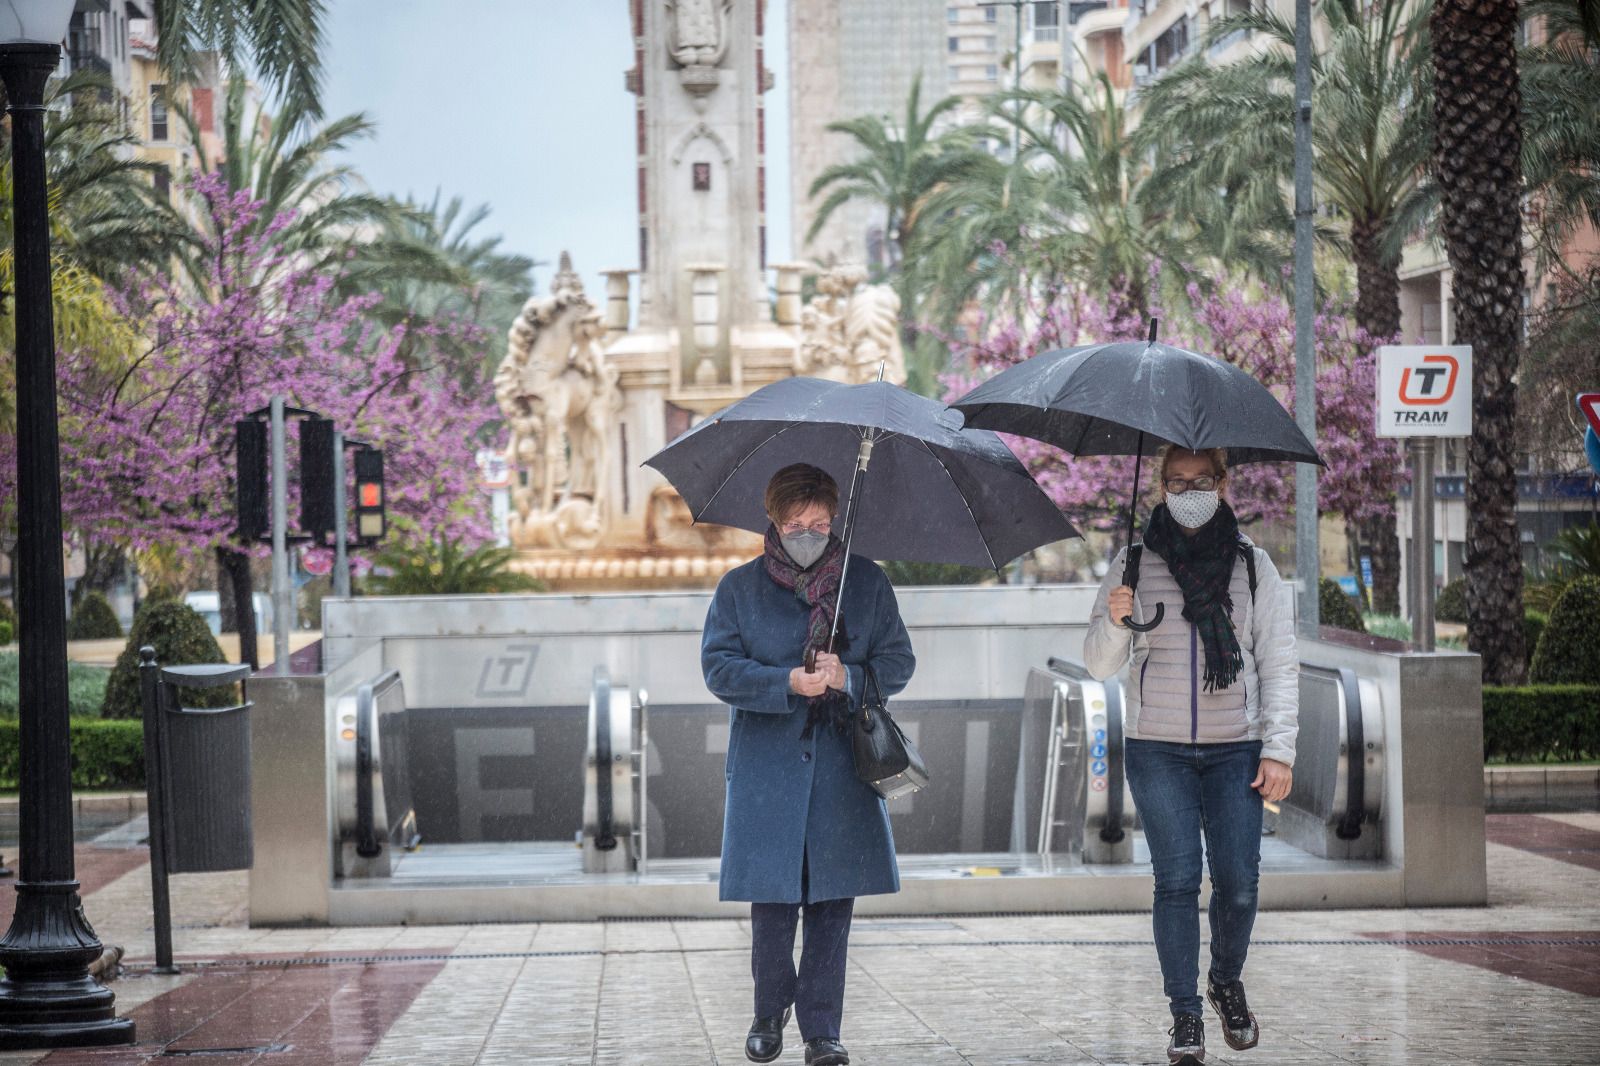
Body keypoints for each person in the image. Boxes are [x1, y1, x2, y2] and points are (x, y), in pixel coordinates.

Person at [1083, 446, 1297, 1066]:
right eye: (1177, 481)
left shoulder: (1254, 569)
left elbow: (1280, 665)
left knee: (1237, 883)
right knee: (1175, 881)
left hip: (1237, 748)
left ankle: (1225, 979)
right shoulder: (1131, 562)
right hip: (1158, 749)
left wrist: (1278, 750)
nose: (1189, 491)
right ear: (1159, 486)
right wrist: (1118, 621)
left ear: (1223, 484)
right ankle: (1184, 1015)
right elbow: (1098, 664)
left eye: (1200, 480)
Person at [702, 463, 915, 1066]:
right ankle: (769, 1011)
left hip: (840, 769)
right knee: (772, 899)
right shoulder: (738, 589)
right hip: (768, 770)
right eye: (795, 523)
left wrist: (850, 676)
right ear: (772, 521)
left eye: (819, 523)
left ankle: (822, 1030)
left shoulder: (866, 584)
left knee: (831, 902)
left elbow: (898, 662)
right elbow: (718, 669)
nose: (807, 533)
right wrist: (786, 681)